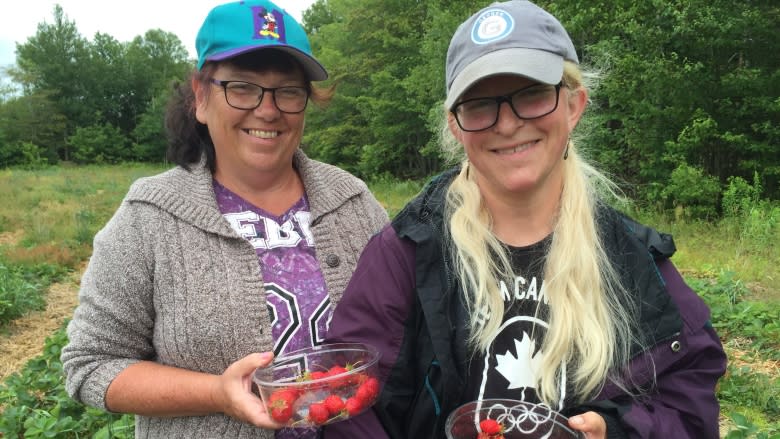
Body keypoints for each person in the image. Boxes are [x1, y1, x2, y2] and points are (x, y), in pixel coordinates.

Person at [323, 1, 727, 438]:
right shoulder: (406, 252)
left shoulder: (631, 257)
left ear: (574, 105)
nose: (509, 123)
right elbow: (350, 402)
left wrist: (619, 430)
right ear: (456, 126)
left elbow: (688, 401)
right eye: (480, 105)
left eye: (531, 93)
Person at [60, 1, 388, 438]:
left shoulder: (353, 201)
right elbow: (91, 364)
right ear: (201, 96)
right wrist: (216, 392)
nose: (268, 110)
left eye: (288, 90)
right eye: (243, 87)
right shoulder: (150, 216)